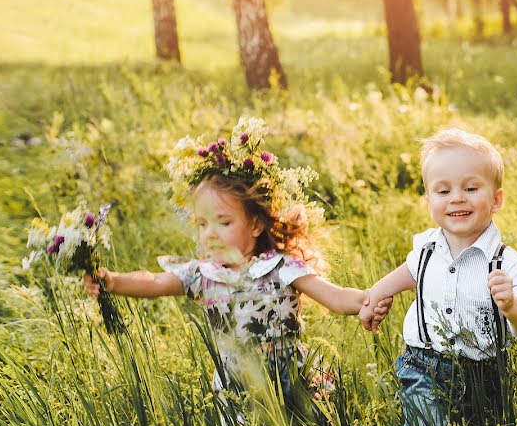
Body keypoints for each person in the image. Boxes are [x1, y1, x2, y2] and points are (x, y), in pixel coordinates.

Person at [83, 118, 392, 406]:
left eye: (224, 223)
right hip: (237, 389)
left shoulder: (280, 267)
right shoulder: (204, 275)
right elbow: (156, 282)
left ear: (256, 225)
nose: (211, 234)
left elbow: (334, 296)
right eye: (203, 224)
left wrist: (368, 300)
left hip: (291, 383)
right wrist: (113, 281)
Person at [359, 127, 517, 426]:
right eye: (443, 191)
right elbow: (408, 273)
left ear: (496, 199)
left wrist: (513, 307)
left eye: (471, 187)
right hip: (422, 365)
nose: (457, 198)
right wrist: (377, 294)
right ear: (429, 200)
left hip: (483, 376)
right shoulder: (426, 249)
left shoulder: (505, 263)